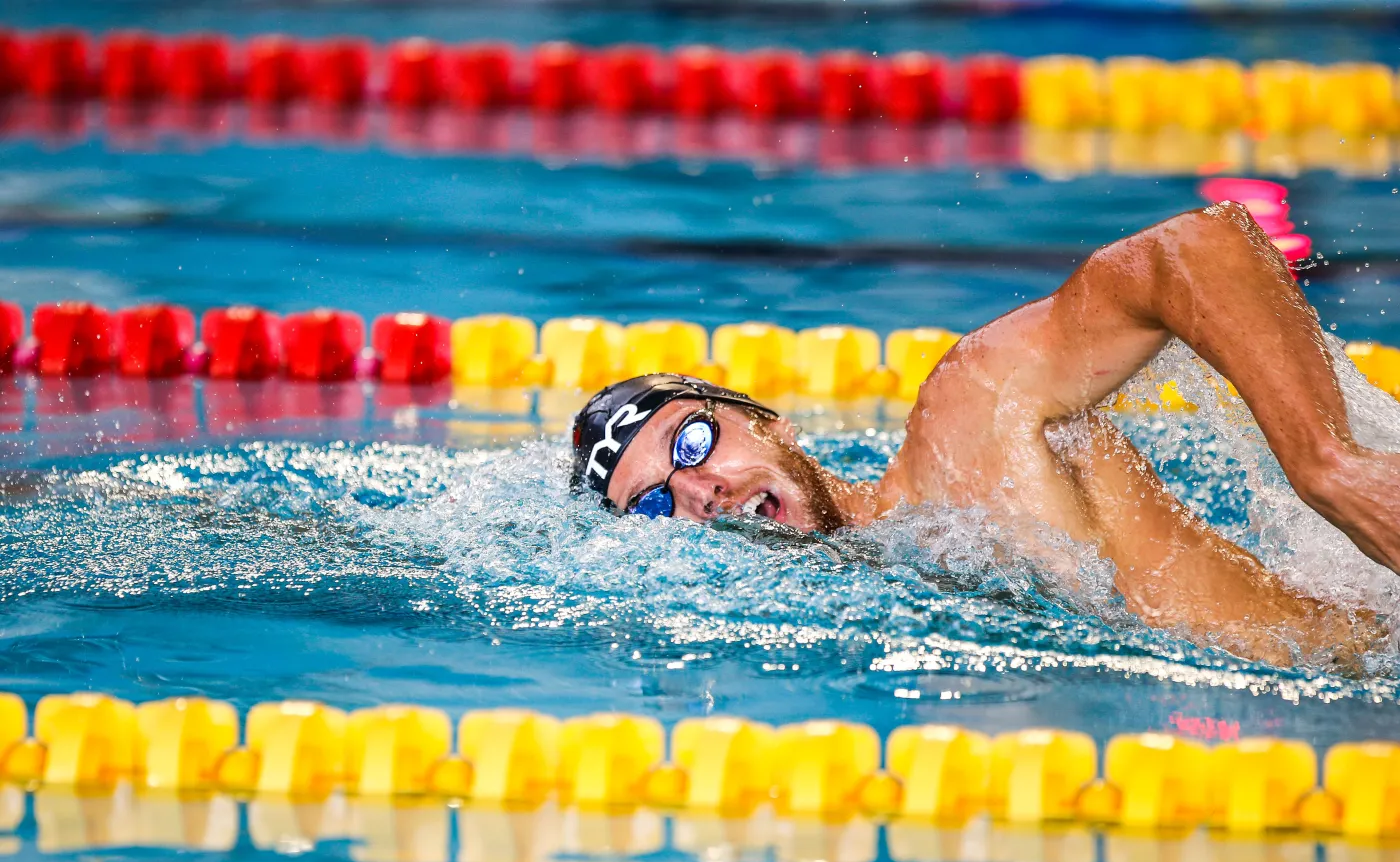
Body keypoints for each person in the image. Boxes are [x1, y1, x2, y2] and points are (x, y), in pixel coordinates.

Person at [570, 203, 1398, 670]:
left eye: (691, 443)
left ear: (769, 421)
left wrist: (1327, 464)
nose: (699, 492)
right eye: (652, 506)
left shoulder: (967, 426)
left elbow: (1194, 248)